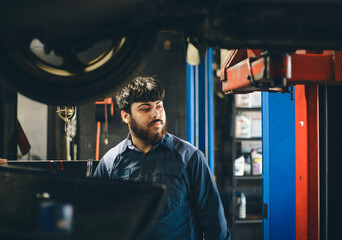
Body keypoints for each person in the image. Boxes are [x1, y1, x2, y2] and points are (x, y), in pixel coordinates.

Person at [93, 76, 230, 240]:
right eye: (145, 109)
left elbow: (214, 222)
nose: (155, 114)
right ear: (126, 116)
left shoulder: (190, 157)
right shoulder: (110, 162)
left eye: (159, 106)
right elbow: (96, 219)